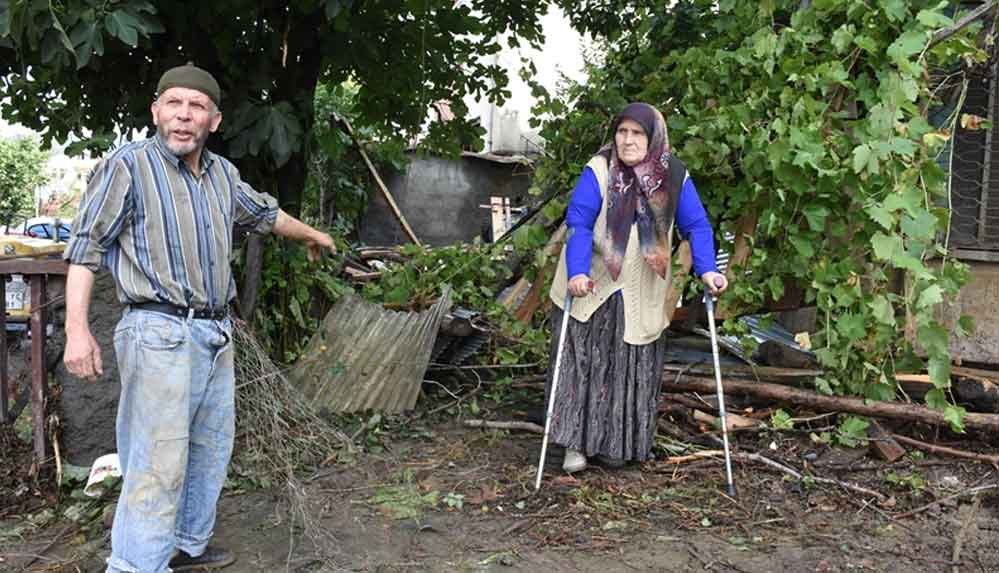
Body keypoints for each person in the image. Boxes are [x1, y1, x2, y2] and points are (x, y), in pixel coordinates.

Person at [61, 63, 336, 573]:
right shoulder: (128, 166)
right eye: (174, 104)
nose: (184, 117)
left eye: (197, 107)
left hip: (214, 331)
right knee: (157, 460)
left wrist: (313, 236)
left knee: (209, 449)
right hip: (157, 329)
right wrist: (77, 330)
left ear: (213, 120)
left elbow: (265, 214)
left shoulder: (221, 175)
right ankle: (136, 565)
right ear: (156, 111)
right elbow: (85, 248)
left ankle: (186, 544)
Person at [546, 102, 728, 473]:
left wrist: (708, 271)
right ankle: (575, 446)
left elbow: (698, 226)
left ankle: (615, 444)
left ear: (654, 137)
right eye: (622, 132)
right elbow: (579, 222)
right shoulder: (599, 169)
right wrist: (578, 272)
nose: (627, 141)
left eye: (637, 133)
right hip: (591, 285)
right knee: (582, 364)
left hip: (641, 291)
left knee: (630, 367)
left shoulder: (674, 175)